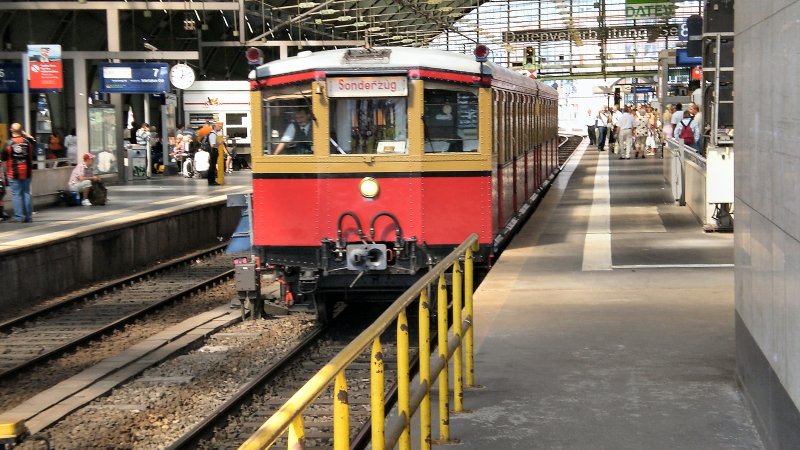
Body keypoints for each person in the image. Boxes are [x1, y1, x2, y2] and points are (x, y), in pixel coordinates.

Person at [1, 123, 36, 223]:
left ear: (11, 130)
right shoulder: (28, 142)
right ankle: (28, 217)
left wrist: (5, 172)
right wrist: (26, 135)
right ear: (21, 130)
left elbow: (3, 160)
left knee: (16, 194)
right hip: (27, 172)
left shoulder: (8, 143)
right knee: (26, 193)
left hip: (13, 173)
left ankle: (19, 217)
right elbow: (34, 141)